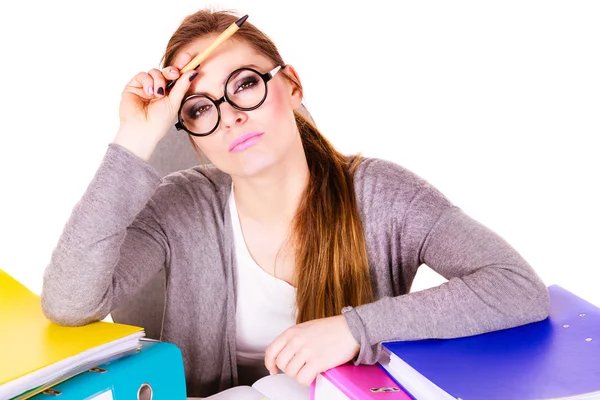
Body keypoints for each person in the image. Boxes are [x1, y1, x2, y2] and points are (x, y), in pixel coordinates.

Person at [41, 8, 550, 398]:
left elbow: (517, 288)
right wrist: (133, 140)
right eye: (200, 108)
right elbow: (69, 303)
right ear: (192, 136)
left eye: (245, 84)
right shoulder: (180, 207)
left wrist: (356, 329)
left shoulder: (382, 194)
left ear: (292, 84)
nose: (233, 116)